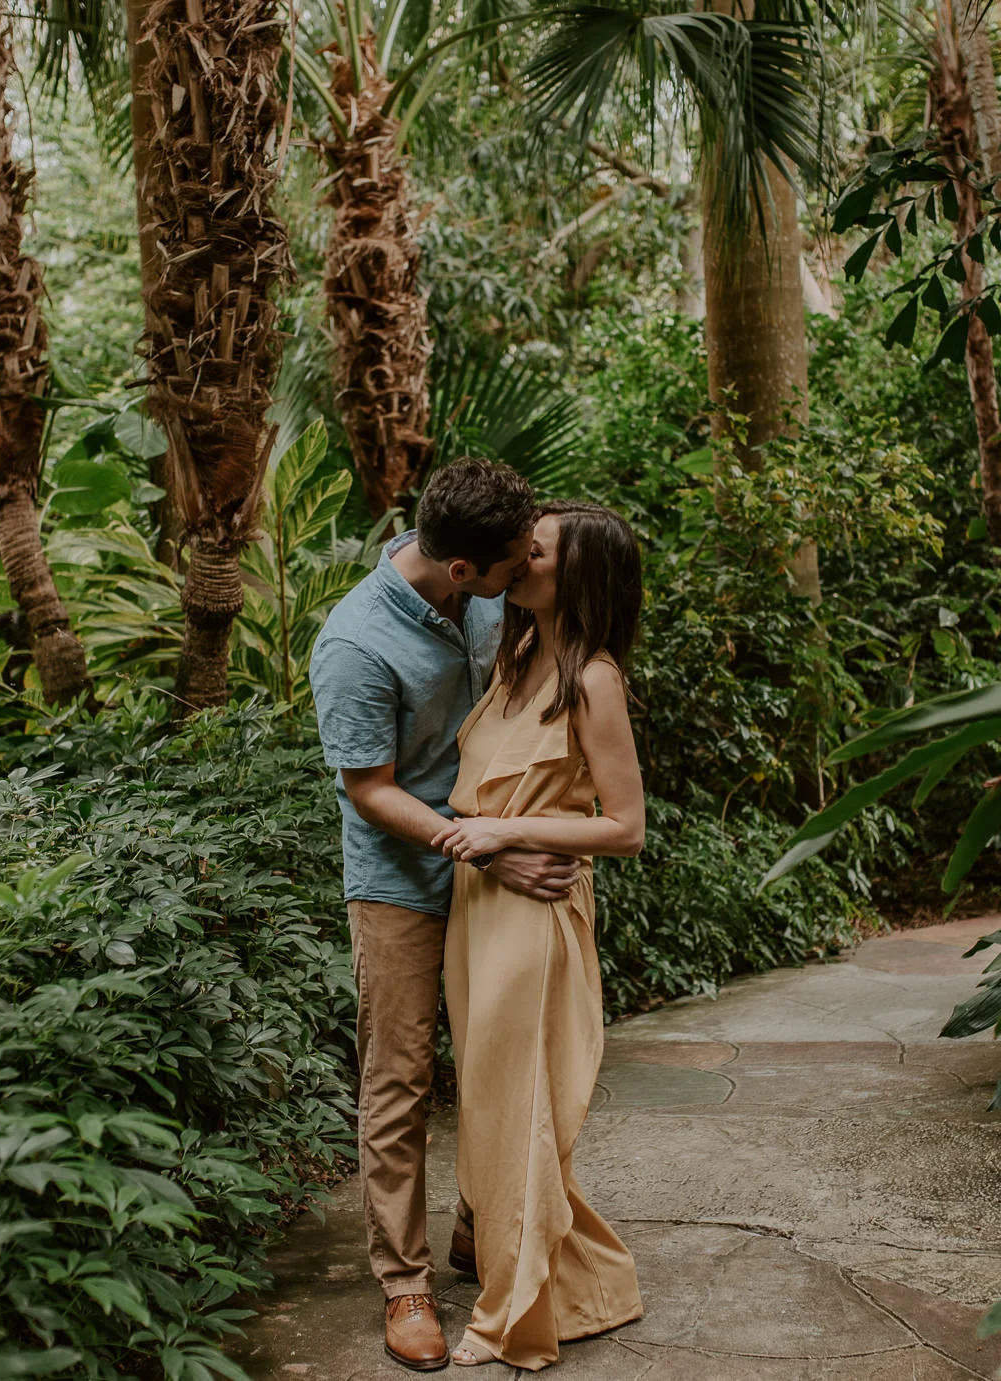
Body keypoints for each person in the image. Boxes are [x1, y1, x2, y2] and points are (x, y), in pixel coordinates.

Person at [309, 459, 583, 1372]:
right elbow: (369, 789)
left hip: (493, 861)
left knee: (503, 1055)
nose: (523, 578)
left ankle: (476, 1225)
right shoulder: (355, 643)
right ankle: (404, 1280)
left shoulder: (487, 592)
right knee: (399, 1076)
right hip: (401, 879)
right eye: (511, 567)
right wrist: (487, 844)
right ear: (462, 568)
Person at [430, 502, 648, 1370]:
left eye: (539, 551)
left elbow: (625, 826)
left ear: (579, 574)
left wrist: (510, 836)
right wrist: (482, 839)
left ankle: (509, 1315)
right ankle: (593, 1281)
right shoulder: (515, 651)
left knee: (520, 1107)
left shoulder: (593, 678)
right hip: (475, 903)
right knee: (485, 1103)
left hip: (535, 911)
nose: (520, 558)